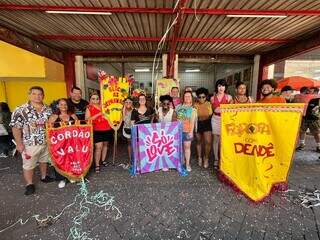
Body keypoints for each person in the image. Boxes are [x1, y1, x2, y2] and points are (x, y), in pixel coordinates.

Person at [10, 86, 54, 195]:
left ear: (43, 96)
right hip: (30, 143)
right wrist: (19, 144)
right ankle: (29, 184)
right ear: (29, 95)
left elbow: (50, 124)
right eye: (34, 94)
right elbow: (15, 127)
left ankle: (44, 176)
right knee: (29, 164)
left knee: (44, 160)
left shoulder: (48, 109)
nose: (37, 96)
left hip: (45, 141)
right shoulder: (21, 109)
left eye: (40, 94)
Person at [48, 98, 78, 188]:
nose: (63, 106)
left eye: (65, 104)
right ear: (58, 106)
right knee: (61, 160)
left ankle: (72, 176)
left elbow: (78, 128)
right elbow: (49, 131)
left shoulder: (73, 115)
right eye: (61, 104)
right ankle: (62, 178)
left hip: (72, 142)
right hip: (59, 144)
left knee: (72, 159)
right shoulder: (53, 117)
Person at [85, 92, 113, 173]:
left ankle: (103, 160)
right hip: (97, 130)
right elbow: (87, 120)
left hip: (107, 128)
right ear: (90, 99)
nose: (95, 100)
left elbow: (110, 115)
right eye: (93, 98)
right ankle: (97, 164)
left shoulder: (104, 106)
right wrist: (98, 114)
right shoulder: (89, 108)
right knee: (98, 147)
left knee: (105, 145)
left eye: (97, 98)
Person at [210, 79, 232, 169]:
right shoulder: (212, 98)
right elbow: (214, 110)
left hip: (226, 120)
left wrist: (220, 108)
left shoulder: (229, 97)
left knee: (224, 140)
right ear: (216, 87)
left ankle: (223, 159)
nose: (221, 88)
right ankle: (216, 159)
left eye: (223, 86)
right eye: (219, 86)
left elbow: (230, 110)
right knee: (216, 139)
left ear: (225, 87)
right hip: (215, 119)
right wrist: (224, 108)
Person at [176, 91, 197, 172]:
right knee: (179, 147)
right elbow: (176, 118)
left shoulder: (193, 109)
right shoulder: (178, 107)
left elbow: (192, 122)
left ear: (191, 98)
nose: (187, 98)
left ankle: (187, 164)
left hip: (187, 131)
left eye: (189, 96)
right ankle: (181, 162)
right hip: (178, 131)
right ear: (183, 98)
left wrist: (191, 132)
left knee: (187, 147)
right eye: (186, 96)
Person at [194, 88, 212, 169]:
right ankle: (199, 157)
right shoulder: (195, 105)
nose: (201, 99)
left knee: (208, 141)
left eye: (203, 97)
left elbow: (212, 114)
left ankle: (206, 158)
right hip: (198, 123)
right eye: (200, 97)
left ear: (206, 97)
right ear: (197, 97)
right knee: (198, 141)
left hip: (207, 123)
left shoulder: (209, 104)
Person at [122, 97, 134, 166]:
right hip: (126, 129)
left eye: (130, 102)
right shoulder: (122, 111)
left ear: (132, 103)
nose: (128, 103)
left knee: (134, 144)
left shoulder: (134, 110)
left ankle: (135, 159)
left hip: (133, 129)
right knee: (129, 144)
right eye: (126, 102)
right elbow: (122, 120)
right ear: (124, 103)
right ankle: (130, 159)